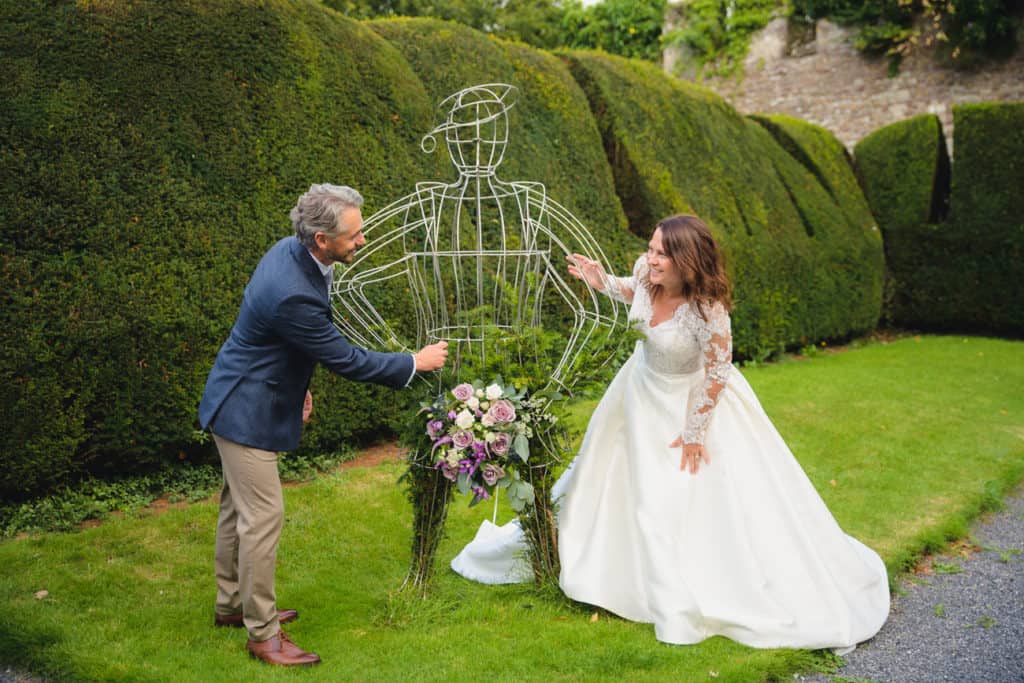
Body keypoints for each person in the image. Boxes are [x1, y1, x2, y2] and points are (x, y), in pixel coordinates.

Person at [451, 214, 889, 651]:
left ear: (688, 261)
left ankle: (683, 581)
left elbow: (718, 372)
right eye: (651, 247)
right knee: (601, 480)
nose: (651, 258)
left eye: (662, 252)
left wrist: (695, 430)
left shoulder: (707, 311)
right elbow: (632, 291)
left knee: (676, 497)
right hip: (636, 394)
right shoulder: (645, 275)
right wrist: (601, 281)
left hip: (688, 404)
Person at [198, 183, 448, 666]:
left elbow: (278, 340)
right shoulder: (292, 291)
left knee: (236, 512)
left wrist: (295, 384)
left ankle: (232, 606)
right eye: (354, 236)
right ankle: (262, 634)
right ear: (320, 238)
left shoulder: (294, 254)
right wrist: (414, 363)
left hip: (246, 391)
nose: (362, 241)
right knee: (261, 520)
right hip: (243, 411)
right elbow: (347, 359)